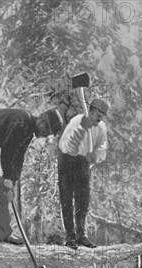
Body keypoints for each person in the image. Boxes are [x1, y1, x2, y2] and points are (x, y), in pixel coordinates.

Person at [0, 107, 65, 244]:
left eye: (48, 134)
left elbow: (18, 158)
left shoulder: (28, 133)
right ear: (42, 120)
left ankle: (3, 233)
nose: (44, 135)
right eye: (46, 130)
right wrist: (7, 177)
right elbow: (8, 149)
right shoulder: (21, 120)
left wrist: (12, 180)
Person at [57, 97, 109, 249]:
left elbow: (102, 148)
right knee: (66, 199)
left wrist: (96, 157)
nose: (100, 118)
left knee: (83, 200)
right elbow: (65, 146)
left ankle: (81, 235)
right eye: (98, 114)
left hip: (83, 164)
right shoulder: (77, 121)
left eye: (102, 115)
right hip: (67, 161)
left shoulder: (101, 128)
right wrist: (81, 130)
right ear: (91, 111)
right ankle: (70, 236)